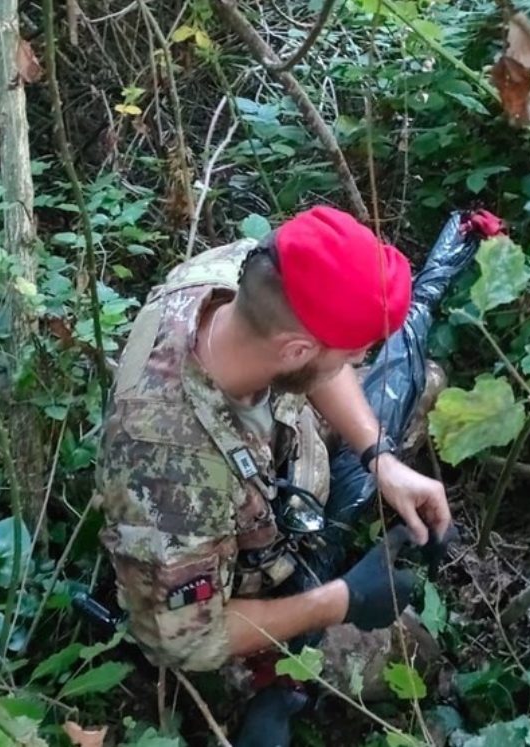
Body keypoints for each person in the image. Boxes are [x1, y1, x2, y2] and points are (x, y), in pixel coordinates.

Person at [94, 206, 455, 682]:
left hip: (274, 463)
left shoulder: (244, 273)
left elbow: (315, 361)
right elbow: (186, 641)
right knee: (417, 661)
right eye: (352, 354)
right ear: (296, 351)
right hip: (219, 566)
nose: (361, 360)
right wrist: (344, 598)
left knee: (423, 381)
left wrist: (380, 458)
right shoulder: (169, 474)